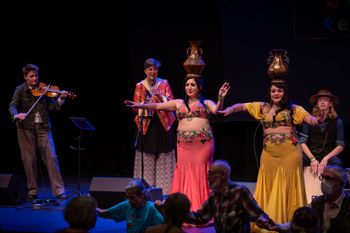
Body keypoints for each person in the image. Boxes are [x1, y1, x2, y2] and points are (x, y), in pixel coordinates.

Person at [217, 50, 321, 230]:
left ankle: (290, 224)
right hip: (269, 155)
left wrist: (319, 117)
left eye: (279, 90)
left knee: (287, 187)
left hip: (290, 154)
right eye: (273, 90)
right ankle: (267, 223)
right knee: (269, 184)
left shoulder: (294, 109)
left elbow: (311, 120)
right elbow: (242, 106)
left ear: (285, 92)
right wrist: (230, 110)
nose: (276, 93)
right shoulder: (262, 108)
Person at [125, 77, 230, 211]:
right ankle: (182, 206)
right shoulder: (178, 102)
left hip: (202, 145)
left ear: (199, 87)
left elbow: (216, 110)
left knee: (200, 172)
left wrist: (221, 98)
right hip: (184, 146)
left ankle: (203, 207)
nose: (189, 87)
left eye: (193, 85)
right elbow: (157, 106)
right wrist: (139, 105)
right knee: (184, 172)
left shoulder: (206, 102)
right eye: (187, 85)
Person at [9, 63, 68, 201]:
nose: (35, 78)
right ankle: (33, 190)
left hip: (43, 127)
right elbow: (12, 105)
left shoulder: (45, 89)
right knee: (29, 160)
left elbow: (53, 108)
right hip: (25, 129)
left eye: (36, 75)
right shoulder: (20, 90)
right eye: (31, 76)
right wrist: (17, 115)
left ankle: (59, 191)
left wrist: (61, 99)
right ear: (25, 77)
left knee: (52, 158)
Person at [184, 159, 276, 233]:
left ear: (223, 176)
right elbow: (201, 217)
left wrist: (265, 221)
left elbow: (257, 214)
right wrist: (178, 213)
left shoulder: (240, 192)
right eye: (208, 174)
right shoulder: (214, 196)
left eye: (211, 174)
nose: (208, 178)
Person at [131, 58, 177, 195]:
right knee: (147, 157)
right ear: (145, 70)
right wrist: (145, 104)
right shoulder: (140, 85)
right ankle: (145, 191)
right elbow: (135, 107)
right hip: (147, 125)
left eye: (155, 69)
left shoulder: (164, 83)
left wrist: (160, 96)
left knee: (164, 156)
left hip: (162, 125)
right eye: (150, 69)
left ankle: (165, 192)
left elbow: (171, 101)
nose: (153, 72)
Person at [276, 165, 350, 233]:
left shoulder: (348, 204)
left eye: (328, 178)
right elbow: (299, 222)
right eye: (322, 177)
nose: (323, 181)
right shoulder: (317, 202)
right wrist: (277, 226)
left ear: (341, 182)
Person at [97, 180, 164, 233]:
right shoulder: (127, 205)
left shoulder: (151, 208)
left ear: (142, 195)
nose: (129, 201)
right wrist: (90, 206)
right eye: (127, 197)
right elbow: (104, 213)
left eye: (132, 197)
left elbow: (163, 228)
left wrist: (162, 210)